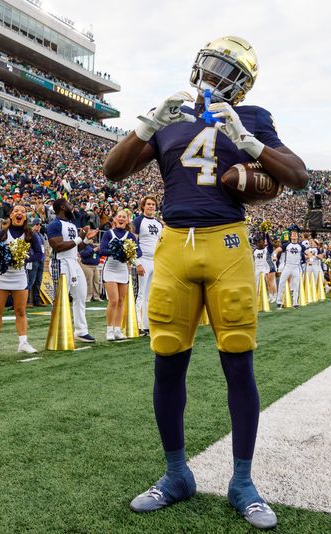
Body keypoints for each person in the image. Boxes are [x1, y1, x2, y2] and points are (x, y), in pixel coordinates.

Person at [103, 35, 308, 530]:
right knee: (167, 362)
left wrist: (251, 142)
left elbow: (297, 176)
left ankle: (243, 482)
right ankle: (176, 474)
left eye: (228, 69)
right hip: (174, 244)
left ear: (243, 82)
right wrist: (147, 123)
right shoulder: (171, 114)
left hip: (228, 244)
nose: (216, 75)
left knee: (238, 362)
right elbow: (113, 171)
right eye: (212, 64)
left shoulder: (252, 116)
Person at [0, 205, 43, 354]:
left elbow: (39, 255)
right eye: (16, 211)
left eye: (22, 212)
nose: (19, 213)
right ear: (11, 216)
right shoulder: (2, 233)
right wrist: (3, 258)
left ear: (25, 217)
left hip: (20, 276)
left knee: (20, 311)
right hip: (2, 277)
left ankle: (23, 342)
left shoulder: (30, 235)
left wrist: (24, 259)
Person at [46, 198, 98, 343]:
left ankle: (81, 331)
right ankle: (57, 330)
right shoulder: (54, 225)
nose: (72, 207)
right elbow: (58, 246)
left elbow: (76, 247)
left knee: (81, 296)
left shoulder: (71, 225)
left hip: (74, 262)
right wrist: (79, 239)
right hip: (60, 263)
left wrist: (86, 240)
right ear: (62, 207)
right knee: (60, 299)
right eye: (69, 205)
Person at [99, 209, 142, 341]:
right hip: (110, 268)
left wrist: (129, 254)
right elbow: (102, 250)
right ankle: (109, 330)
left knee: (121, 301)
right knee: (114, 300)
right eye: (119, 216)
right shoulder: (108, 233)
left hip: (123, 269)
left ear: (127, 220)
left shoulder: (130, 236)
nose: (122, 219)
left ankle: (118, 330)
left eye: (124, 217)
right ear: (115, 219)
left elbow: (138, 252)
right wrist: (117, 251)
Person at [133, 196, 163, 336]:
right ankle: (136, 325)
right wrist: (137, 262)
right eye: (148, 204)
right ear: (143, 206)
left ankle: (147, 325)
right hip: (143, 260)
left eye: (153, 204)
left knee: (150, 295)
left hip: (155, 261)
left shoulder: (158, 223)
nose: (151, 206)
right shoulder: (138, 221)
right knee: (140, 293)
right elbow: (133, 242)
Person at [276, 230, 304, 308]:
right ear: (290, 236)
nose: (294, 235)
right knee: (281, 283)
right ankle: (279, 302)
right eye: (293, 234)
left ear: (297, 236)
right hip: (287, 266)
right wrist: (274, 255)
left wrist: (310, 257)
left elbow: (308, 252)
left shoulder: (301, 246)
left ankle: (295, 303)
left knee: (296, 285)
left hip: (296, 267)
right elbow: (277, 250)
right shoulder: (286, 245)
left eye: (296, 234)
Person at [26, 218, 46, 307]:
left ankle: (36, 300)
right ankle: (26, 301)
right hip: (33, 259)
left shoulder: (41, 235)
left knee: (38, 280)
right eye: (37, 224)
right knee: (31, 280)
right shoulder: (30, 234)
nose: (38, 226)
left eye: (39, 225)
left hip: (41, 259)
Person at [253, 234, 275, 303]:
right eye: (261, 242)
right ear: (258, 243)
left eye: (263, 242)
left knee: (268, 282)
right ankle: (256, 297)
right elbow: (253, 260)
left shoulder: (266, 249)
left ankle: (271, 296)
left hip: (265, 268)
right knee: (256, 283)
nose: (263, 243)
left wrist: (266, 235)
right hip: (257, 268)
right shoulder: (254, 250)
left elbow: (270, 244)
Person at [79, 238, 102, 303]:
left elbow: (99, 254)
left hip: (95, 266)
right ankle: (88, 297)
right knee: (88, 282)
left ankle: (96, 296)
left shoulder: (95, 246)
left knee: (96, 281)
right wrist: (93, 250)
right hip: (87, 266)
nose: (92, 240)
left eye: (93, 239)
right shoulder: (83, 246)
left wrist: (99, 249)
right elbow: (83, 255)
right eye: (90, 239)